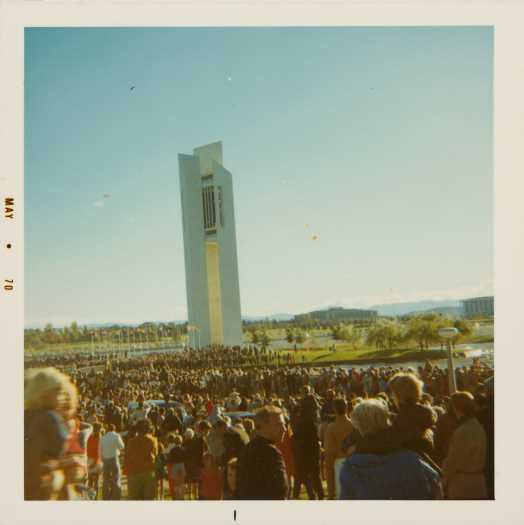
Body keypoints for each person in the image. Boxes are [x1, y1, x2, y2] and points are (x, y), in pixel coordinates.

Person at [339, 399, 442, 499]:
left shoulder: (351, 468)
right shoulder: (411, 459)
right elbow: (436, 486)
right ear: (386, 421)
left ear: (358, 427)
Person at [24, 368, 80, 500]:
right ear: (44, 394)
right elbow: (56, 452)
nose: (61, 397)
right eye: (57, 392)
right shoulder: (50, 418)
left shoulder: (27, 415)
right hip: (48, 484)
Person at [235, 405, 288, 499]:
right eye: (279, 424)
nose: (284, 429)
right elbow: (280, 491)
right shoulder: (271, 453)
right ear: (264, 426)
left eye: (284, 424)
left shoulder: (246, 450)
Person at [442, 391, 487, 499]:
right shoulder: (477, 426)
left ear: (457, 408)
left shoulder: (463, 431)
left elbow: (454, 460)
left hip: (463, 484)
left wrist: (443, 480)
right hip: (478, 480)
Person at [292, 395, 324, 499]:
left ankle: (313, 496)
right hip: (310, 451)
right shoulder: (309, 420)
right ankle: (318, 496)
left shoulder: (301, 419)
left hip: (303, 451)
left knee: (306, 476)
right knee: (313, 476)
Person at [324, 398, 353, 499]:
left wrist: (330, 492)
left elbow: (329, 457)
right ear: (347, 408)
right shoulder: (354, 425)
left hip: (340, 466)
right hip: (356, 464)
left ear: (334, 410)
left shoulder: (332, 428)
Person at [126, 419, 158, 500]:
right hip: (148, 473)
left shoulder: (131, 442)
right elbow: (154, 456)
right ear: (148, 429)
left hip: (134, 473)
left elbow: (128, 458)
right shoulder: (152, 441)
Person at [100, 423, 124, 500]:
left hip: (105, 459)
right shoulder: (116, 436)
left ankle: (106, 496)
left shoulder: (103, 438)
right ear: (114, 429)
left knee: (106, 480)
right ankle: (116, 496)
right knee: (116, 478)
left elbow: (100, 450)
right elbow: (121, 446)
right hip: (114, 458)